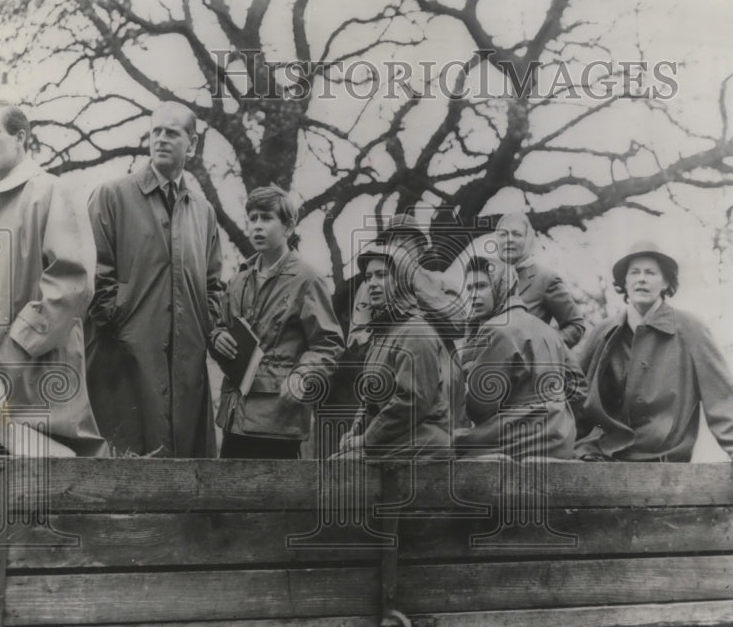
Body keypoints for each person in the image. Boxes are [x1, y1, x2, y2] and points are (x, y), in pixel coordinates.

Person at [0, 100, 107, 456]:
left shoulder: (52, 190)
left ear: (20, 137)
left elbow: (72, 284)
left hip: (31, 379)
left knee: (50, 489)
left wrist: (15, 349)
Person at [85, 102, 225, 457]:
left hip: (187, 366)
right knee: (129, 476)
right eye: (156, 131)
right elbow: (93, 274)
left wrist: (202, 327)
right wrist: (120, 320)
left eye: (172, 132)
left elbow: (213, 284)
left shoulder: (203, 211)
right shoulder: (111, 196)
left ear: (191, 145)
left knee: (187, 479)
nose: (161, 139)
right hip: (124, 361)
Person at [574, 242, 733, 478]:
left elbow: (724, 397)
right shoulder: (604, 332)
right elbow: (577, 402)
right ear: (624, 282)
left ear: (666, 282)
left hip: (664, 462)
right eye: (634, 273)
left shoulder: (690, 330)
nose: (641, 280)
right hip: (601, 457)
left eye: (650, 273)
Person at [209, 186, 344, 459]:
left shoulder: (307, 280)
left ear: (289, 226)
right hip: (234, 417)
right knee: (229, 499)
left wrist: (303, 375)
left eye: (266, 218)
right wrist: (216, 337)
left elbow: (328, 344)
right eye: (253, 218)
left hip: (278, 422)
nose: (257, 226)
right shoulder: (239, 279)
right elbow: (223, 326)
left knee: (276, 500)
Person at [454, 256, 584, 460]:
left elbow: (479, 407)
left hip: (523, 438)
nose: (473, 295)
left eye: (481, 286)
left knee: (442, 445)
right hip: (560, 438)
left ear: (501, 285)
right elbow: (579, 387)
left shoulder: (495, 329)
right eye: (469, 288)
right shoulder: (548, 330)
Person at [334, 244, 453, 459]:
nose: (372, 284)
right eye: (369, 277)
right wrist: (355, 431)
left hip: (421, 447)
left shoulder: (416, 331)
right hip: (395, 442)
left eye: (382, 275)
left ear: (402, 281)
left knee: (340, 470)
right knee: (337, 464)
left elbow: (411, 401)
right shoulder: (382, 334)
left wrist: (365, 441)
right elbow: (370, 397)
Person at [494, 212, 586, 348]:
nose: (509, 239)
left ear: (528, 240)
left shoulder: (545, 279)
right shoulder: (490, 280)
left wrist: (543, 348)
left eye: (517, 234)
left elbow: (575, 325)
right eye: (503, 234)